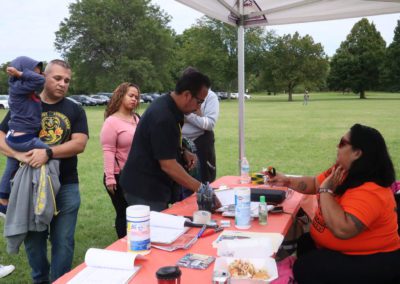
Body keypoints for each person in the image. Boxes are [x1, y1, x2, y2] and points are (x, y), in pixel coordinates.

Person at [269, 124, 400, 284]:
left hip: (373, 259)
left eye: (342, 143)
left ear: (357, 153)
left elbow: (343, 229)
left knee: (304, 268)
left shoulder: (371, 191)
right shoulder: (342, 171)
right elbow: (314, 183)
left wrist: (326, 191)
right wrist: (287, 181)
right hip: (342, 250)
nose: (337, 147)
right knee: (305, 244)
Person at [0, 59, 89, 283]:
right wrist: (18, 155)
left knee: (64, 240)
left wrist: (47, 153)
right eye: (57, 78)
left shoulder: (74, 109)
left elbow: (79, 143)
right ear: (44, 77)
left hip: (67, 184)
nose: (62, 84)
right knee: (34, 240)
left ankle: (59, 280)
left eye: (67, 80)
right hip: (30, 185)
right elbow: (2, 135)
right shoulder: (26, 102)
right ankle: (40, 279)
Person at [120, 71, 220, 212]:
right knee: (151, 231)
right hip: (144, 189)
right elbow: (169, 165)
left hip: (154, 186)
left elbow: (161, 142)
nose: (198, 108)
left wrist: (182, 151)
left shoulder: (171, 106)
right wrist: (202, 189)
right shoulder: (163, 116)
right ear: (186, 95)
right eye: (199, 102)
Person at [0, 56, 48, 213]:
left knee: (11, 166)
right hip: (23, 138)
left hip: (15, 136)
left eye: (40, 73)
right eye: (33, 73)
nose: (39, 76)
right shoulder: (18, 87)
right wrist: (21, 74)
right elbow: (40, 81)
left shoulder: (24, 89)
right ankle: (45, 190)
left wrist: (23, 74)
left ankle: (3, 200)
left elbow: (38, 81)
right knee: (49, 152)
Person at [100, 82, 141, 239]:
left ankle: (138, 240)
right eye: (130, 96)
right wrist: (110, 178)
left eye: (136, 97)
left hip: (136, 175)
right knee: (124, 213)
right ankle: (124, 245)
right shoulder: (111, 121)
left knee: (138, 212)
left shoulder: (137, 118)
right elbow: (108, 150)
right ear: (120, 96)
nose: (134, 100)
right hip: (118, 176)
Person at [182, 67, 219, 185]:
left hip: (201, 143)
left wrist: (187, 115)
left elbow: (209, 123)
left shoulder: (210, 96)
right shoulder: (183, 94)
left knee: (204, 181)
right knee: (184, 181)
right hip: (182, 145)